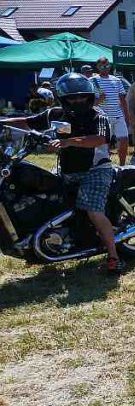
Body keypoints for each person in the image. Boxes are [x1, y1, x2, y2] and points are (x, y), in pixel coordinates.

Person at [0, 73, 122, 272]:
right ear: (64, 99)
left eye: (82, 96)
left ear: (89, 96)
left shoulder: (99, 116)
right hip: (67, 171)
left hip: (95, 171)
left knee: (93, 210)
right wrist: (3, 121)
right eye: (73, 98)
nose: (78, 100)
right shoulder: (55, 114)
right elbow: (27, 121)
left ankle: (113, 257)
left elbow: (100, 139)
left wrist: (68, 142)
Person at [90, 57, 133, 165]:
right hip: (103, 117)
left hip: (118, 116)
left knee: (124, 139)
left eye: (107, 65)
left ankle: (122, 165)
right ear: (98, 67)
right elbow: (90, 103)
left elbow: (123, 100)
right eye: (103, 66)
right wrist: (100, 99)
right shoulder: (92, 81)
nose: (106, 68)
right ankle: (105, 164)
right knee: (104, 143)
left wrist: (127, 116)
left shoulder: (117, 80)